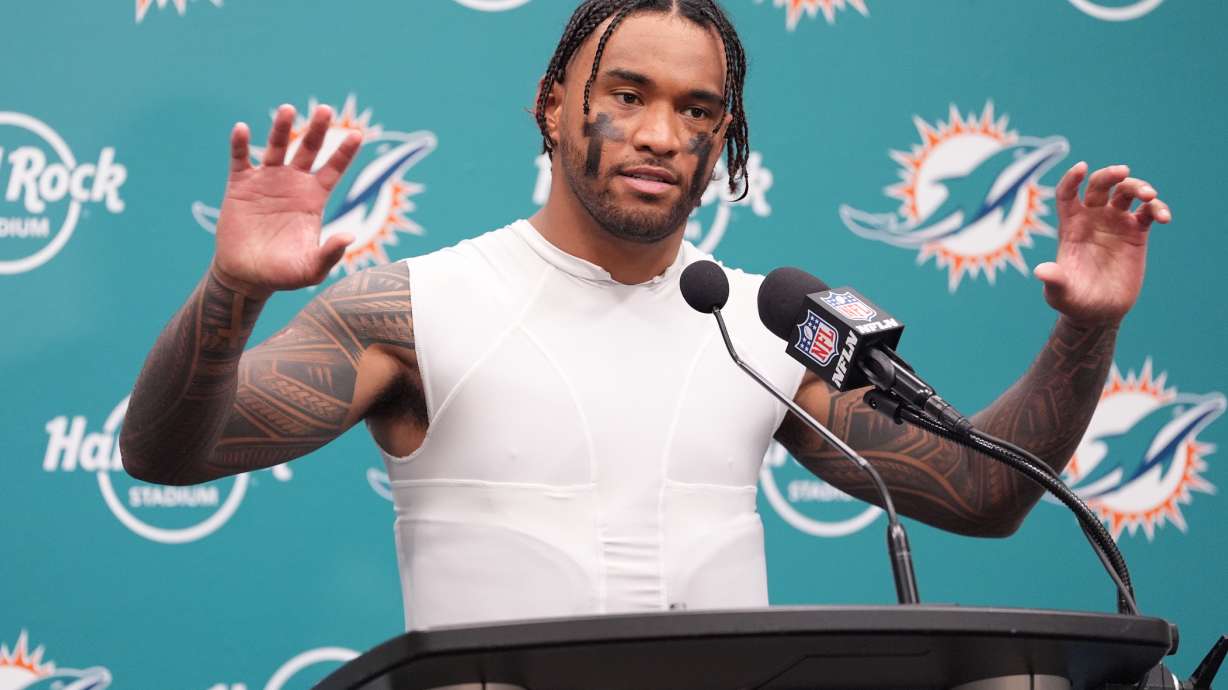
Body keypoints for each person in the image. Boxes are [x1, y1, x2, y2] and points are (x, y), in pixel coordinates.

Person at [119, 0, 1171, 630]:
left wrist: (1087, 327)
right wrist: (235, 292)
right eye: (625, 94)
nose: (661, 133)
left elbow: (983, 495)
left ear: (725, 137)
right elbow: (170, 453)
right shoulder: (407, 308)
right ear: (552, 103)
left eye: (697, 109)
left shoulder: (763, 320)